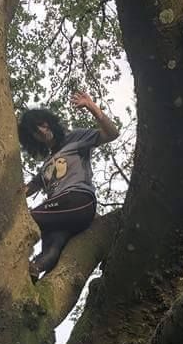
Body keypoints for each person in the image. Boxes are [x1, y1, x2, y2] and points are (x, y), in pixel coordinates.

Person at [18, 91, 120, 281]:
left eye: (41, 124)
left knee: (27, 220)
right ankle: (31, 273)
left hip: (77, 201)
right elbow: (27, 189)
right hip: (59, 215)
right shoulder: (46, 165)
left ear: (48, 122)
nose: (41, 131)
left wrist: (91, 106)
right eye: (35, 131)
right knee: (50, 250)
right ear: (33, 139)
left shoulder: (76, 138)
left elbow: (112, 133)